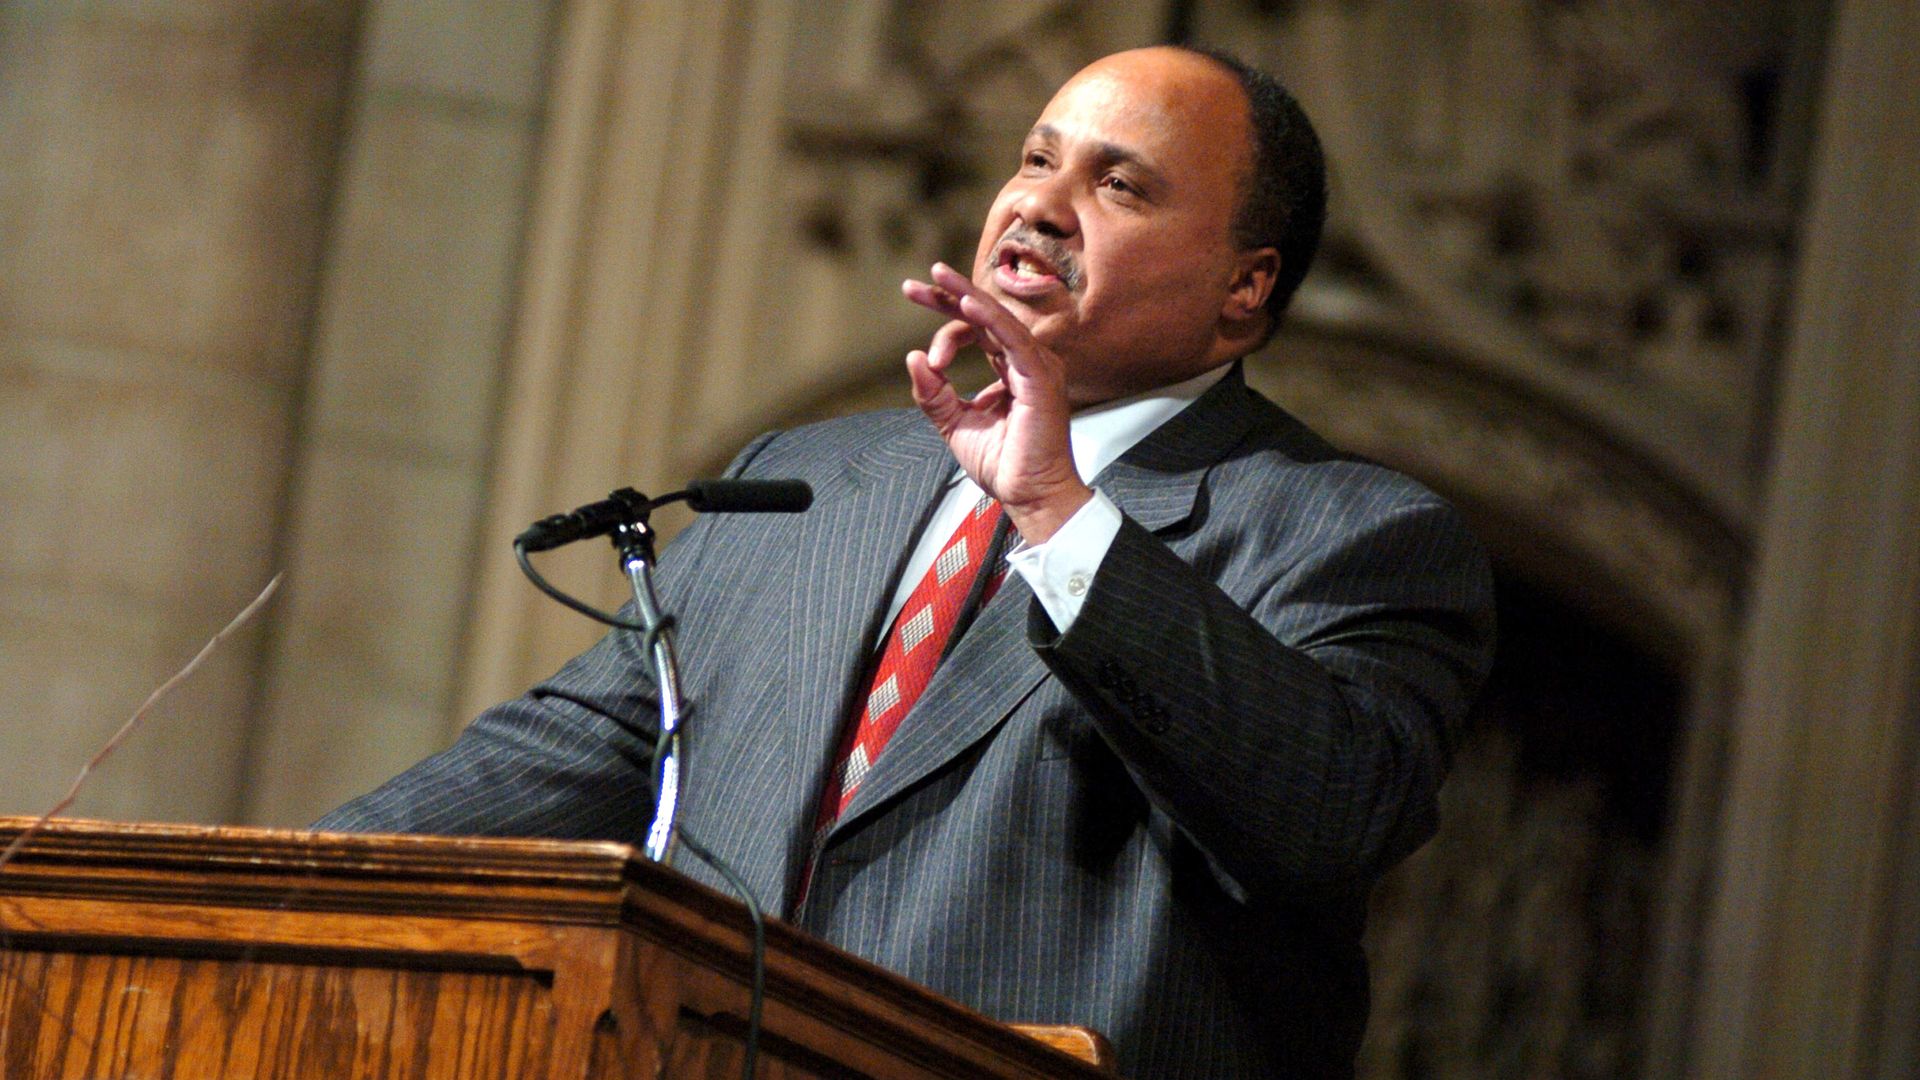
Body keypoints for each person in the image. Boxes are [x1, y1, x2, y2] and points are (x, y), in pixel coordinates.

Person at [319, 46, 1495, 1078]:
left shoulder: (1351, 534)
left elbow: (1336, 813)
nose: (1041, 206)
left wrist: (1055, 508)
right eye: (1037, 160)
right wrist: (283, 889)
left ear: (1246, 289)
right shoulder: (815, 477)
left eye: (1118, 183)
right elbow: (595, 744)